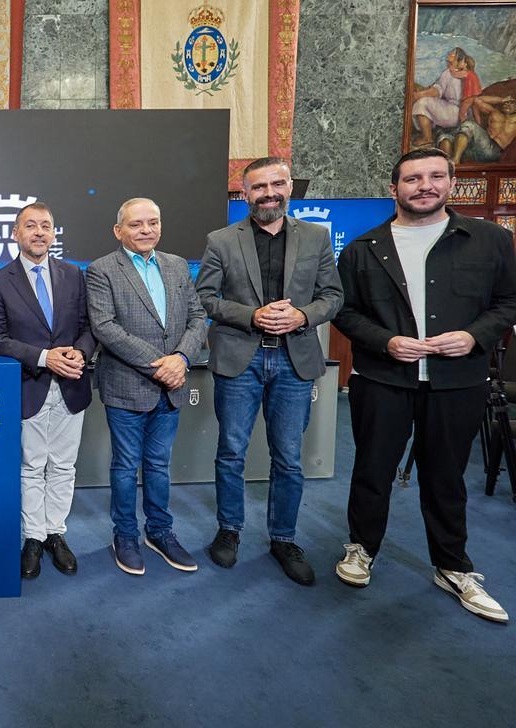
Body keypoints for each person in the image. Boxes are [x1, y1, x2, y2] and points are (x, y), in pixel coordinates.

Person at [333, 148, 516, 624]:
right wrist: (386, 341)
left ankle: (453, 566)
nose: (425, 186)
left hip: (457, 382)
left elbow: (508, 302)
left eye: (436, 176)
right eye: (413, 179)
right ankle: (361, 548)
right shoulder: (362, 249)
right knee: (372, 471)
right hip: (382, 380)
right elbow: (346, 312)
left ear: (451, 183)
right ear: (394, 189)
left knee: (447, 477)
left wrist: (473, 336)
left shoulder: (490, 240)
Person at [195, 157, 343, 585]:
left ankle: (283, 537)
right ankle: (229, 530)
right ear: (245, 194)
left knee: (289, 458)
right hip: (241, 358)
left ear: (290, 188)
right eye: (259, 187)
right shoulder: (221, 240)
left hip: (294, 359)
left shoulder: (316, 237)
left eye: (277, 184)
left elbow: (332, 297)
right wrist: (252, 315)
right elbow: (204, 297)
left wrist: (301, 316)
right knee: (231, 452)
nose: (269, 193)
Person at [86, 198, 206, 576]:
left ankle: (160, 532)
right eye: (136, 224)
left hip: (172, 384)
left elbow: (199, 317)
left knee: (158, 464)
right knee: (125, 467)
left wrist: (182, 358)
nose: (146, 230)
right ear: (118, 231)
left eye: (152, 222)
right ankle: (125, 535)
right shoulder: (102, 270)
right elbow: (105, 328)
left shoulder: (176, 266)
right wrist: (162, 364)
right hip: (127, 385)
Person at [0, 201, 95, 580]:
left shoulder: (73, 276)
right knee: (32, 465)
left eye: (45, 226)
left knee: (63, 465)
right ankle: (32, 537)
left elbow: (88, 327)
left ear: (53, 233)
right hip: (29, 385)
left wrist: (79, 353)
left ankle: (55, 534)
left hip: (71, 385)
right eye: (30, 226)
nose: (39, 232)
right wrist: (46, 358)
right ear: (16, 233)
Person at [411, 48, 467, 147]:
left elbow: (437, 90)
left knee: (422, 102)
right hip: (461, 114)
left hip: (454, 113)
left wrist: (420, 95)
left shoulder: (449, 73)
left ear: (459, 60)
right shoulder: (467, 74)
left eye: (452, 54)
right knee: (428, 101)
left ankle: (427, 138)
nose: (449, 54)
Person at [439, 95, 516, 164]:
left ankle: (456, 160)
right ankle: (449, 166)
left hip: (496, 151)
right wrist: (502, 99)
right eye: (506, 102)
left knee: (470, 124)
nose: (507, 104)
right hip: (480, 147)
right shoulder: (494, 112)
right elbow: (477, 100)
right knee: (445, 136)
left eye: (511, 102)